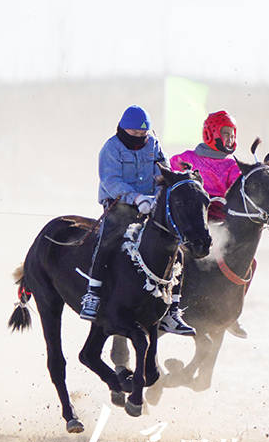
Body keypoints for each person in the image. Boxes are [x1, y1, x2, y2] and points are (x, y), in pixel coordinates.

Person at [79, 105, 195, 336]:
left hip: (151, 205)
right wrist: (136, 197)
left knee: (176, 247)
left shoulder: (153, 144)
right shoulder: (111, 148)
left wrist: (164, 183)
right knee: (108, 241)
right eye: (134, 134)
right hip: (120, 205)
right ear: (123, 130)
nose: (140, 138)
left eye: (143, 135)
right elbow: (110, 180)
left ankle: (172, 310)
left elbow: (163, 168)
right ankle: (93, 293)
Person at [169, 110, 248, 338]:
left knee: (249, 262)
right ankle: (169, 305)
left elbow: (238, 194)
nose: (230, 139)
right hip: (194, 224)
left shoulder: (234, 166)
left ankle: (230, 313)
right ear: (211, 133)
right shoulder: (186, 159)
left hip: (222, 226)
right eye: (226, 133)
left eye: (233, 134)